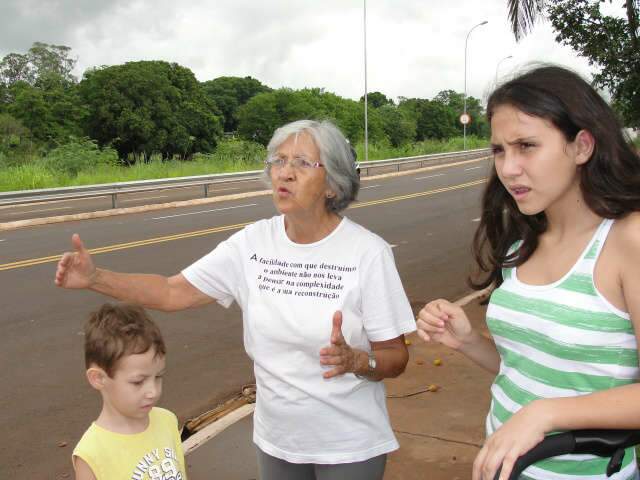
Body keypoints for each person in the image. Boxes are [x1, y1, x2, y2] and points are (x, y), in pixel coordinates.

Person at [55, 119, 416, 480]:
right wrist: (95, 278)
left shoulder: (367, 253)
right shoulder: (252, 244)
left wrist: (355, 359)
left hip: (348, 446)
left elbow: (395, 357)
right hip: (277, 442)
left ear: (333, 184)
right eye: (279, 160)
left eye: (303, 163)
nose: (285, 173)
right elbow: (172, 291)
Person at [416, 65, 640, 480]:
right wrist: (468, 342)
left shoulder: (628, 240)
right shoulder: (523, 241)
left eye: (526, 146)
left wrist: (547, 414)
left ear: (582, 147)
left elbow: (550, 403)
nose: (509, 168)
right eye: (499, 150)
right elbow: (528, 368)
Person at [73, 303, 187, 480]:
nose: (152, 392)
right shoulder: (91, 453)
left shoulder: (167, 421)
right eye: (138, 382)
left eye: (158, 377)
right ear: (99, 379)